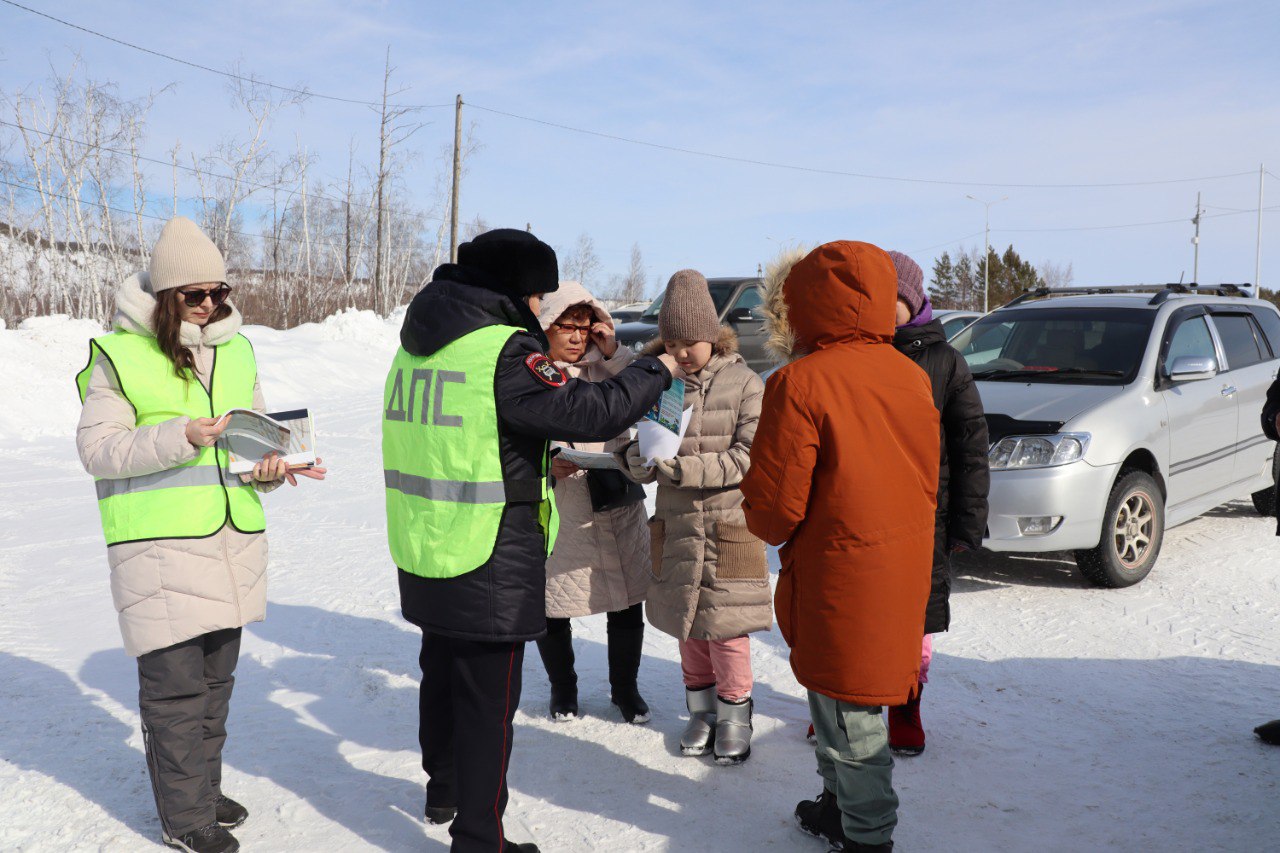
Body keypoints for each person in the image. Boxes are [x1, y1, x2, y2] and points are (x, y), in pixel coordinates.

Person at [383, 229, 676, 853]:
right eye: (538, 292)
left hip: (427, 545)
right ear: (518, 290)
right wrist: (661, 364)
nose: (541, 305)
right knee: (489, 706)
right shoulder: (503, 351)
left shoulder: (417, 345)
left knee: (441, 675)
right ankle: (480, 839)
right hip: (489, 550)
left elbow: (467, 442)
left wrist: (535, 463)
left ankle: (444, 792)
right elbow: (593, 412)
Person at [75, 216, 325, 853]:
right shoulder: (120, 355)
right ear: (165, 297)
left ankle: (203, 791)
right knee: (176, 692)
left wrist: (273, 469)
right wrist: (181, 434)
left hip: (230, 542)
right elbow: (98, 450)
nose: (212, 305)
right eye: (196, 295)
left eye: (220, 292)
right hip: (156, 548)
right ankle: (184, 818)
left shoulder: (238, 349)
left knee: (216, 685)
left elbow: (251, 441)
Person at [741, 241, 939, 852]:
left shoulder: (800, 382)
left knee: (848, 715)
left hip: (838, 570)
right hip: (900, 565)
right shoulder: (911, 375)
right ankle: (838, 808)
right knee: (842, 699)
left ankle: (868, 836)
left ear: (800, 305)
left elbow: (775, 511)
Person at [621, 269, 772, 766]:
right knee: (688, 629)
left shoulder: (746, 383)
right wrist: (635, 462)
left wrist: (684, 469)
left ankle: (735, 714)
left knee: (726, 630)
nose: (682, 352)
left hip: (728, 527)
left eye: (693, 342)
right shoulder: (657, 381)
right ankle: (701, 711)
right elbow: (636, 445)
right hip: (677, 526)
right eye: (673, 341)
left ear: (713, 335)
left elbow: (748, 456)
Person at [535, 282, 654, 724]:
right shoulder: (531, 376)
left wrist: (615, 352)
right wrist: (546, 465)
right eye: (566, 325)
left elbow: (651, 402)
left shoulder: (610, 368)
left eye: (584, 326)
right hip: (562, 508)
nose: (576, 336)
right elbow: (509, 445)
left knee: (626, 600)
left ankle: (626, 690)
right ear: (546, 326)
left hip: (615, 502)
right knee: (553, 604)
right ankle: (563, 690)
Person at [885, 251, 989, 755]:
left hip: (926, 516)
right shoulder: (860, 355)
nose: (881, 309)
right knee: (861, 610)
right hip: (865, 512)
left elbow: (971, 444)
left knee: (917, 615)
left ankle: (907, 703)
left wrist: (968, 521)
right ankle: (851, 699)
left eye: (892, 300)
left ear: (912, 300)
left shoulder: (945, 361)